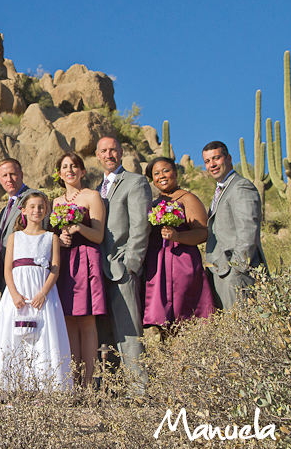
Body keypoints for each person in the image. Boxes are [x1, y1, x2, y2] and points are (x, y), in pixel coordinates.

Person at [0, 191, 71, 390]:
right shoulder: (14, 237)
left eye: (41, 207)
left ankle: (43, 384)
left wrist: (43, 293)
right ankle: (11, 383)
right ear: (23, 210)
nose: (37, 210)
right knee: (14, 333)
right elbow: (7, 269)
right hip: (18, 291)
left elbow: (55, 269)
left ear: (46, 210)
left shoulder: (51, 238)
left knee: (42, 334)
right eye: (32, 206)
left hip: (42, 291)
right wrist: (13, 293)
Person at [95, 136, 151, 388]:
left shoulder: (136, 182)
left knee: (129, 330)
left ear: (121, 153)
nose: (109, 155)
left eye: (113, 150)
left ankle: (138, 389)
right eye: (104, 151)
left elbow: (140, 224)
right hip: (97, 269)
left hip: (122, 266)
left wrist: (132, 262)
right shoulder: (97, 189)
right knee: (104, 333)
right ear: (97, 156)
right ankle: (115, 387)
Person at [51, 152, 106, 387]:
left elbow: (98, 234)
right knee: (68, 320)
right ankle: (72, 381)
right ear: (59, 173)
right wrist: (61, 236)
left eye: (74, 166)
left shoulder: (92, 196)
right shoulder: (55, 202)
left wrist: (77, 228)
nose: (70, 170)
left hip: (86, 260)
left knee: (86, 321)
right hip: (65, 260)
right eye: (65, 166)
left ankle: (89, 382)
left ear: (82, 171)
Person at [142, 157, 215, 331]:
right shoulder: (153, 203)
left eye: (166, 171)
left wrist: (178, 237)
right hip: (157, 266)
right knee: (162, 320)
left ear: (175, 172)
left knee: (183, 315)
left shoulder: (187, 198)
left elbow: (203, 233)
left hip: (182, 264)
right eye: (156, 173)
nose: (162, 176)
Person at [202, 141, 267, 309]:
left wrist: (236, 271)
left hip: (237, 275)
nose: (212, 165)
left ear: (228, 158)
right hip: (220, 274)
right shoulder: (220, 191)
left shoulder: (241, 186)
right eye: (207, 161)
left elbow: (248, 231)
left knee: (242, 328)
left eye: (216, 158)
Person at [0, 158, 32, 293]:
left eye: (13, 174)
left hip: (25, 274)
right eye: (4, 176)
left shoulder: (33, 198)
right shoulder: (4, 210)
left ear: (21, 175)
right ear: (0, 180)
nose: (9, 179)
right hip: (6, 274)